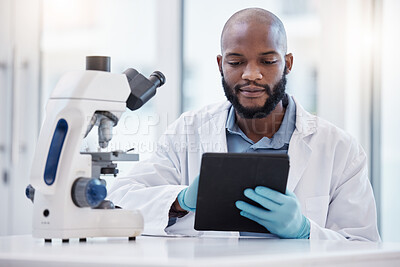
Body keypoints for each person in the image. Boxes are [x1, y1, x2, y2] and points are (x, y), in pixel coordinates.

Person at [108, 8, 380, 241]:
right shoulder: (187, 132)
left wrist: (306, 232)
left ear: (287, 64)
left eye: (268, 61)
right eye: (236, 62)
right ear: (220, 64)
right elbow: (119, 200)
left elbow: (362, 246)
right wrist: (181, 200)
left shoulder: (339, 149)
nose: (252, 74)